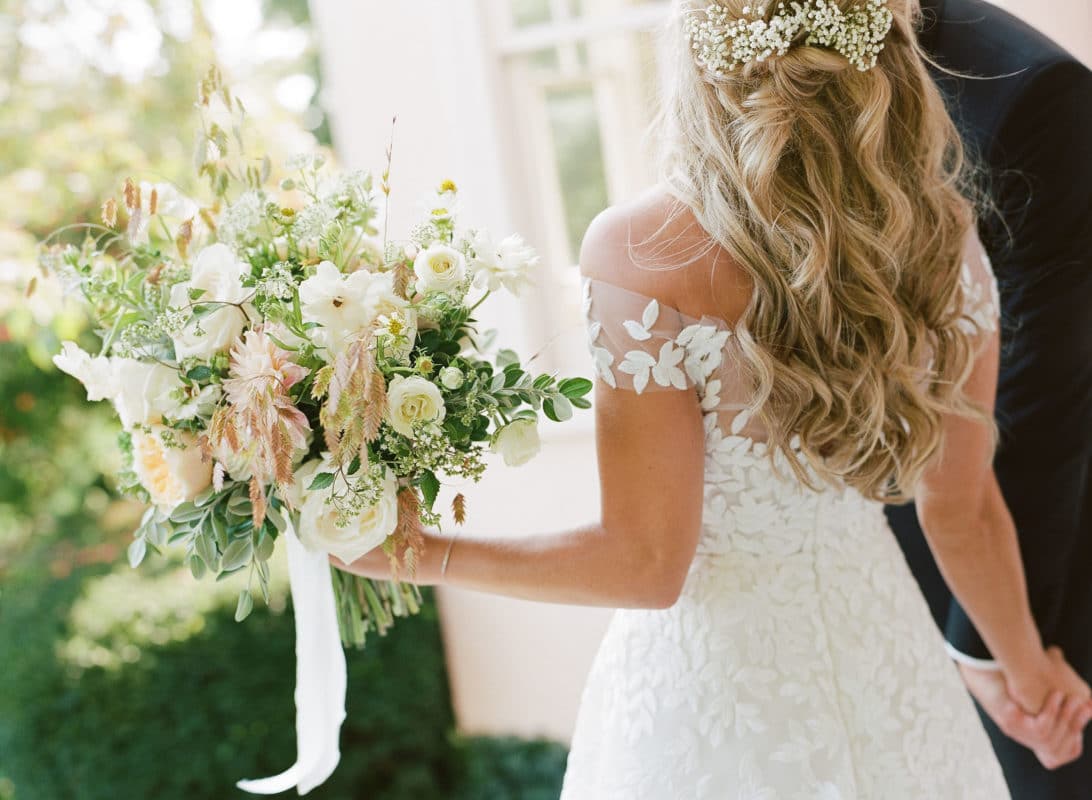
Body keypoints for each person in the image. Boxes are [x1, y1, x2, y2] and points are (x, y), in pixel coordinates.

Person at [334, 1, 1091, 796]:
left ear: (701, 58)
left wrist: (422, 554)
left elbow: (649, 564)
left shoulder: (642, 251)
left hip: (720, 708)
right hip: (889, 666)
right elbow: (962, 510)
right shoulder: (940, 234)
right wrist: (1029, 675)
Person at [886, 1, 1092, 795]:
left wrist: (1002, 649)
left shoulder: (1030, 96)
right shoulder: (724, 74)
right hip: (821, 574)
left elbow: (1044, 396)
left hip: (1014, 596)